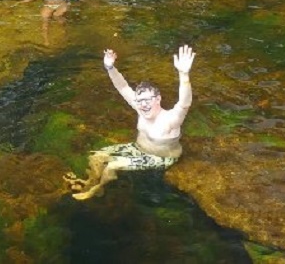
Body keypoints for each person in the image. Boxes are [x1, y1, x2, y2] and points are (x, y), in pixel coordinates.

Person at [64, 45, 195, 200]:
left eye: (147, 100)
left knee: (112, 165)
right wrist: (110, 67)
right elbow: (123, 86)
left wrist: (184, 74)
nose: (143, 104)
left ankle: (97, 190)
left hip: (162, 157)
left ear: (158, 99)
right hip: (137, 148)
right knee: (97, 156)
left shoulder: (170, 120)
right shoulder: (140, 109)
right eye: (140, 101)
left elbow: (184, 104)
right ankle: (90, 181)